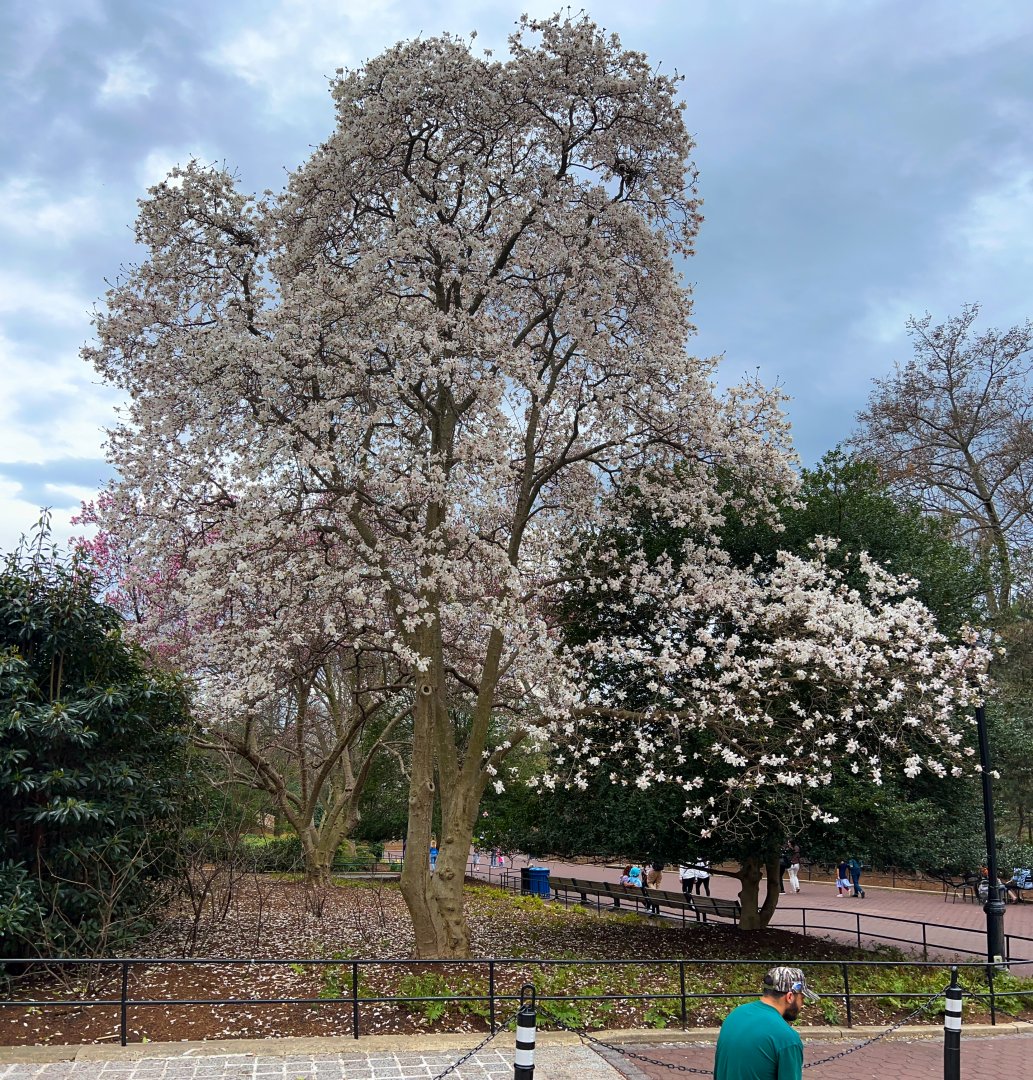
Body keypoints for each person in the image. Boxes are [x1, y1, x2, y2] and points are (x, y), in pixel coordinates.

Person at [714, 965, 818, 1080]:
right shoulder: (787, 1038)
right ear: (790, 997)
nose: (802, 1005)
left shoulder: (736, 1014)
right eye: (802, 998)